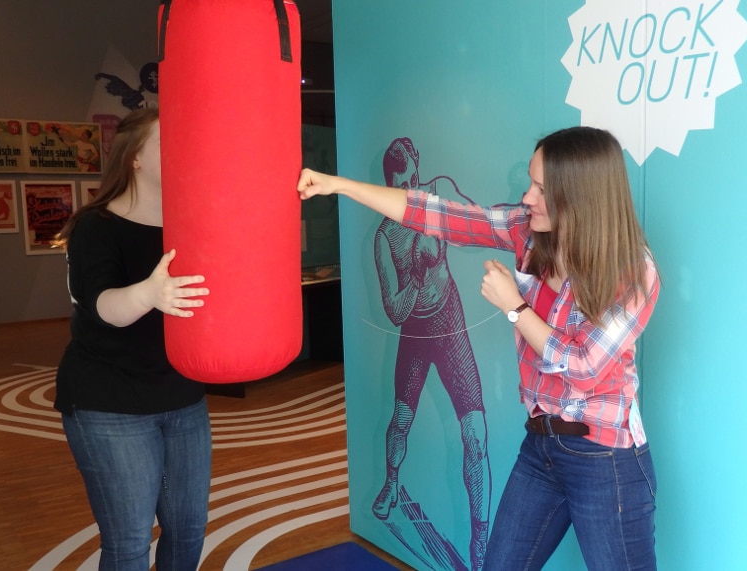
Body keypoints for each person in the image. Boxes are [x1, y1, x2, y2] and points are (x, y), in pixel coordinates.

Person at [298, 126, 660, 570]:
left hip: (606, 459)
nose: (527, 197)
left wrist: (515, 307)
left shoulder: (633, 271)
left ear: (580, 195)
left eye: (541, 189)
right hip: (542, 447)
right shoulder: (529, 234)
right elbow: (436, 215)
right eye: (530, 183)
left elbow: (583, 368)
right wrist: (338, 185)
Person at [52, 107, 212, 571]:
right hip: (109, 403)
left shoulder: (192, 222)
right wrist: (148, 293)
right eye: (166, 141)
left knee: (187, 529)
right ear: (134, 158)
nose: (181, 151)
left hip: (181, 396)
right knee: (129, 542)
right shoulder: (95, 225)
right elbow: (104, 306)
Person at [372, 137, 491, 570]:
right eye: (400, 187)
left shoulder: (436, 194)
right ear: (388, 186)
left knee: (475, 435)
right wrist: (419, 275)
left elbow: (480, 224)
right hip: (416, 331)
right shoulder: (386, 237)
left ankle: (480, 539)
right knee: (401, 420)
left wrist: (452, 217)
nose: (409, 192)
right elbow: (394, 311)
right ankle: (391, 482)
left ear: (419, 169)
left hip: (450, 323)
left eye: (413, 181)